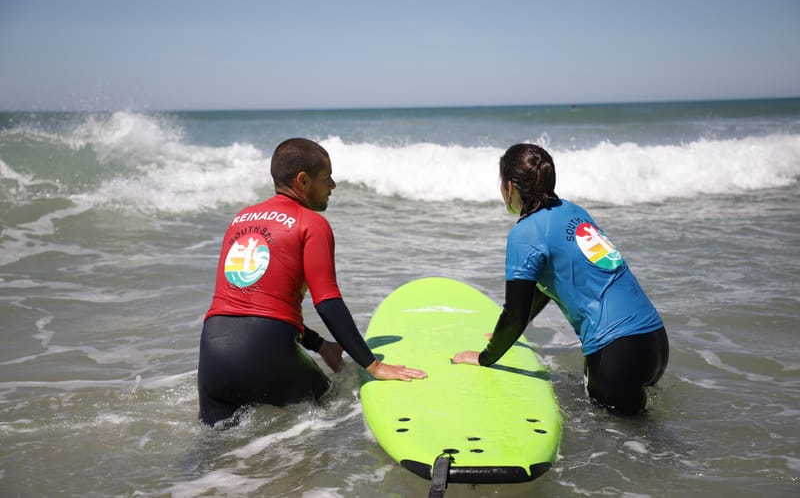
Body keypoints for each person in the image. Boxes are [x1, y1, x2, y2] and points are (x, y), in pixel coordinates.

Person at [198, 137, 426, 426]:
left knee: (213, 452)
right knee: (333, 407)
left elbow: (254, 308)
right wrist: (374, 365)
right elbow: (328, 303)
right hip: (267, 351)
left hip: (213, 354)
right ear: (303, 181)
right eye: (327, 179)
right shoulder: (312, 223)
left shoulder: (239, 220)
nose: (332, 186)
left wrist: (320, 346)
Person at [452, 143, 668, 415]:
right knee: (647, 438)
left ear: (510, 187)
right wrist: (505, 335)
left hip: (615, 354)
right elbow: (545, 286)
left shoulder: (525, 233)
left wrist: (486, 357)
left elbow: (515, 312)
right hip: (653, 343)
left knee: (626, 445)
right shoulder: (574, 211)